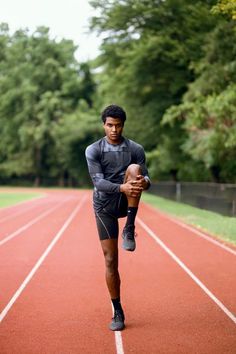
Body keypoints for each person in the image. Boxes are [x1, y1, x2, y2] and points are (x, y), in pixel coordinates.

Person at [85, 104, 150, 331]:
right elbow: (98, 183)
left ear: (123, 125)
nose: (114, 129)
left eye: (118, 125)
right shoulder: (93, 150)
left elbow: (147, 179)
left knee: (134, 169)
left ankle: (129, 227)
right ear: (103, 125)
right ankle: (118, 310)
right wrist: (123, 187)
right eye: (110, 125)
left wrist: (144, 182)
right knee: (111, 260)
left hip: (127, 199)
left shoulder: (135, 149)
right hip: (104, 205)